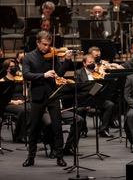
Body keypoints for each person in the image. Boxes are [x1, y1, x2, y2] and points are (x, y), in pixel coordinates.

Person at [22, 30, 72, 167]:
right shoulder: (29, 57)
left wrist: (67, 61)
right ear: (38, 43)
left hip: (53, 95)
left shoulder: (53, 56)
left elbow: (59, 73)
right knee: (34, 128)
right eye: (44, 44)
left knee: (57, 127)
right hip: (37, 96)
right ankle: (30, 158)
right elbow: (26, 75)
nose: (47, 47)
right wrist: (43, 75)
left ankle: (60, 157)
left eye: (48, 44)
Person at [75, 54, 116, 138]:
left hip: (97, 98)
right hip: (84, 99)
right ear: (84, 64)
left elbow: (102, 87)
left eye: (93, 62)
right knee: (80, 109)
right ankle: (83, 130)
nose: (92, 64)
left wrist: (103, 74)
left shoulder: (97, 71)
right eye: (90, 62)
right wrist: (88, 99)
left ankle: (103, 130)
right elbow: (78, 89)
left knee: (110, 105)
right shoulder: (78, 73)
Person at [0, 59, 29, 143]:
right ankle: (19, 135)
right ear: (7, 69)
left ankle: (34, 134)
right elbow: (2, 99)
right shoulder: (2, 81)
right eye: (11, 67)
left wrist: (25, 86)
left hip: (21, 101)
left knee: (32, 108)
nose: (14, 68)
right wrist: (14, 102)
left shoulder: (19, 79)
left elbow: (25, 94)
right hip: (8, 103)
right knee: (23, 110)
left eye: (15, 66)